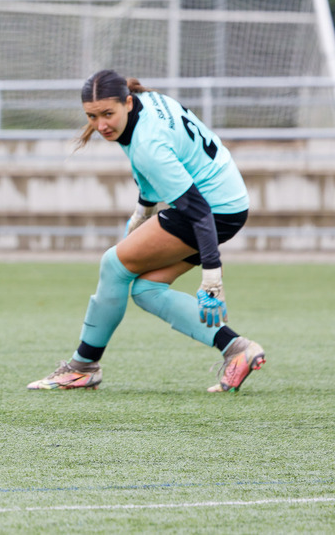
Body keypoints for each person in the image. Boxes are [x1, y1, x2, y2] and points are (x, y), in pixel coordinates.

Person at [28, 69, 265, 393]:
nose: (100, 126)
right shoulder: (147, 102)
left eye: (107, 114)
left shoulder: (146, 143)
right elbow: (157, 167)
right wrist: (144, 211)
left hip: (213, 210)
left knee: (114, 265)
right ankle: (237, 350)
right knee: (146, 290)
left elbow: (197, 209)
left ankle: (83, 368)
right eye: (92, 116)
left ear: (127, 102)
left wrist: (212, 277)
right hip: (228, 202)